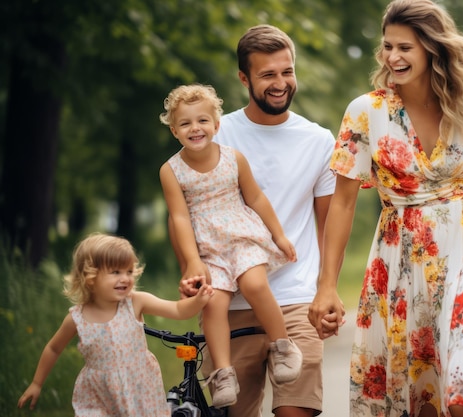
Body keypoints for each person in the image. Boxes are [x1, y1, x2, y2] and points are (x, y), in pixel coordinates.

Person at [307, 1, 463, 416]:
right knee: (422, 390)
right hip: (401, 262)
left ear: (432, 48)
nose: (393, 57)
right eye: (387, 46)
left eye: (405, 47)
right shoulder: (366, 112)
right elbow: (343, 202)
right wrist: (327, 284)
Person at [175, 25, 336, 417]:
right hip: (229, 300)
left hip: (296, 298)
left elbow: (329, 225)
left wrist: (327, 289)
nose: (281, 83)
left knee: (296, 410)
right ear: (244, 78)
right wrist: (191, 267)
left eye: (287, 71)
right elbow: (184, 207)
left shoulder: (319, 141)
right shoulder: (212, 133)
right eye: (268, 75)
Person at [159, 83, 303, 408]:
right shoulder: (170, 171)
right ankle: (222, 372)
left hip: (242, 238)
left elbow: (255, 198)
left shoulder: (233, 158)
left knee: (254, 284)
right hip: (208, 249)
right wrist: (192, 262)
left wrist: (278, 235)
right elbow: (180, 219)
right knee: (213, 303)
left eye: (202, 121)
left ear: (216, 124)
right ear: (174, 130)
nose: (195, 128)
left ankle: (282, 345)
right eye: (185, 124)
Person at [17, 232, 212, 416]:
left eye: (128, 271)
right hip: (97, 393)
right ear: (90, 276)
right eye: (116, 272)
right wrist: (36, 383)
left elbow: (178, 310)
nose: (125, 278)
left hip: (139, 387)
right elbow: (53, 348)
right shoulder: (77, 318)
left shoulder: (135, 302)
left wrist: (198, 301)